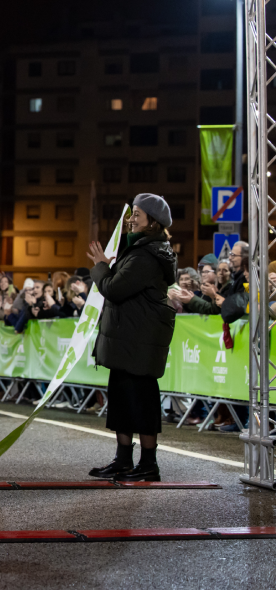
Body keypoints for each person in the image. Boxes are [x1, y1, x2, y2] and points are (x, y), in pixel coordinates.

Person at [86, 194, 176, 482]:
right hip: (128, 339)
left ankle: (148, 464)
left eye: (137, 214)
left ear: (153, 222)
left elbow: (114, 288)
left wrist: (101, 266)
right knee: (122, 402)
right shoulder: (139, 250)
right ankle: (123, 460)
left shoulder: (145, 255)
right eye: (132, 213)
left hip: (139, 341)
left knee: (142, 403)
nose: (131, 218)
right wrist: (108, 269)